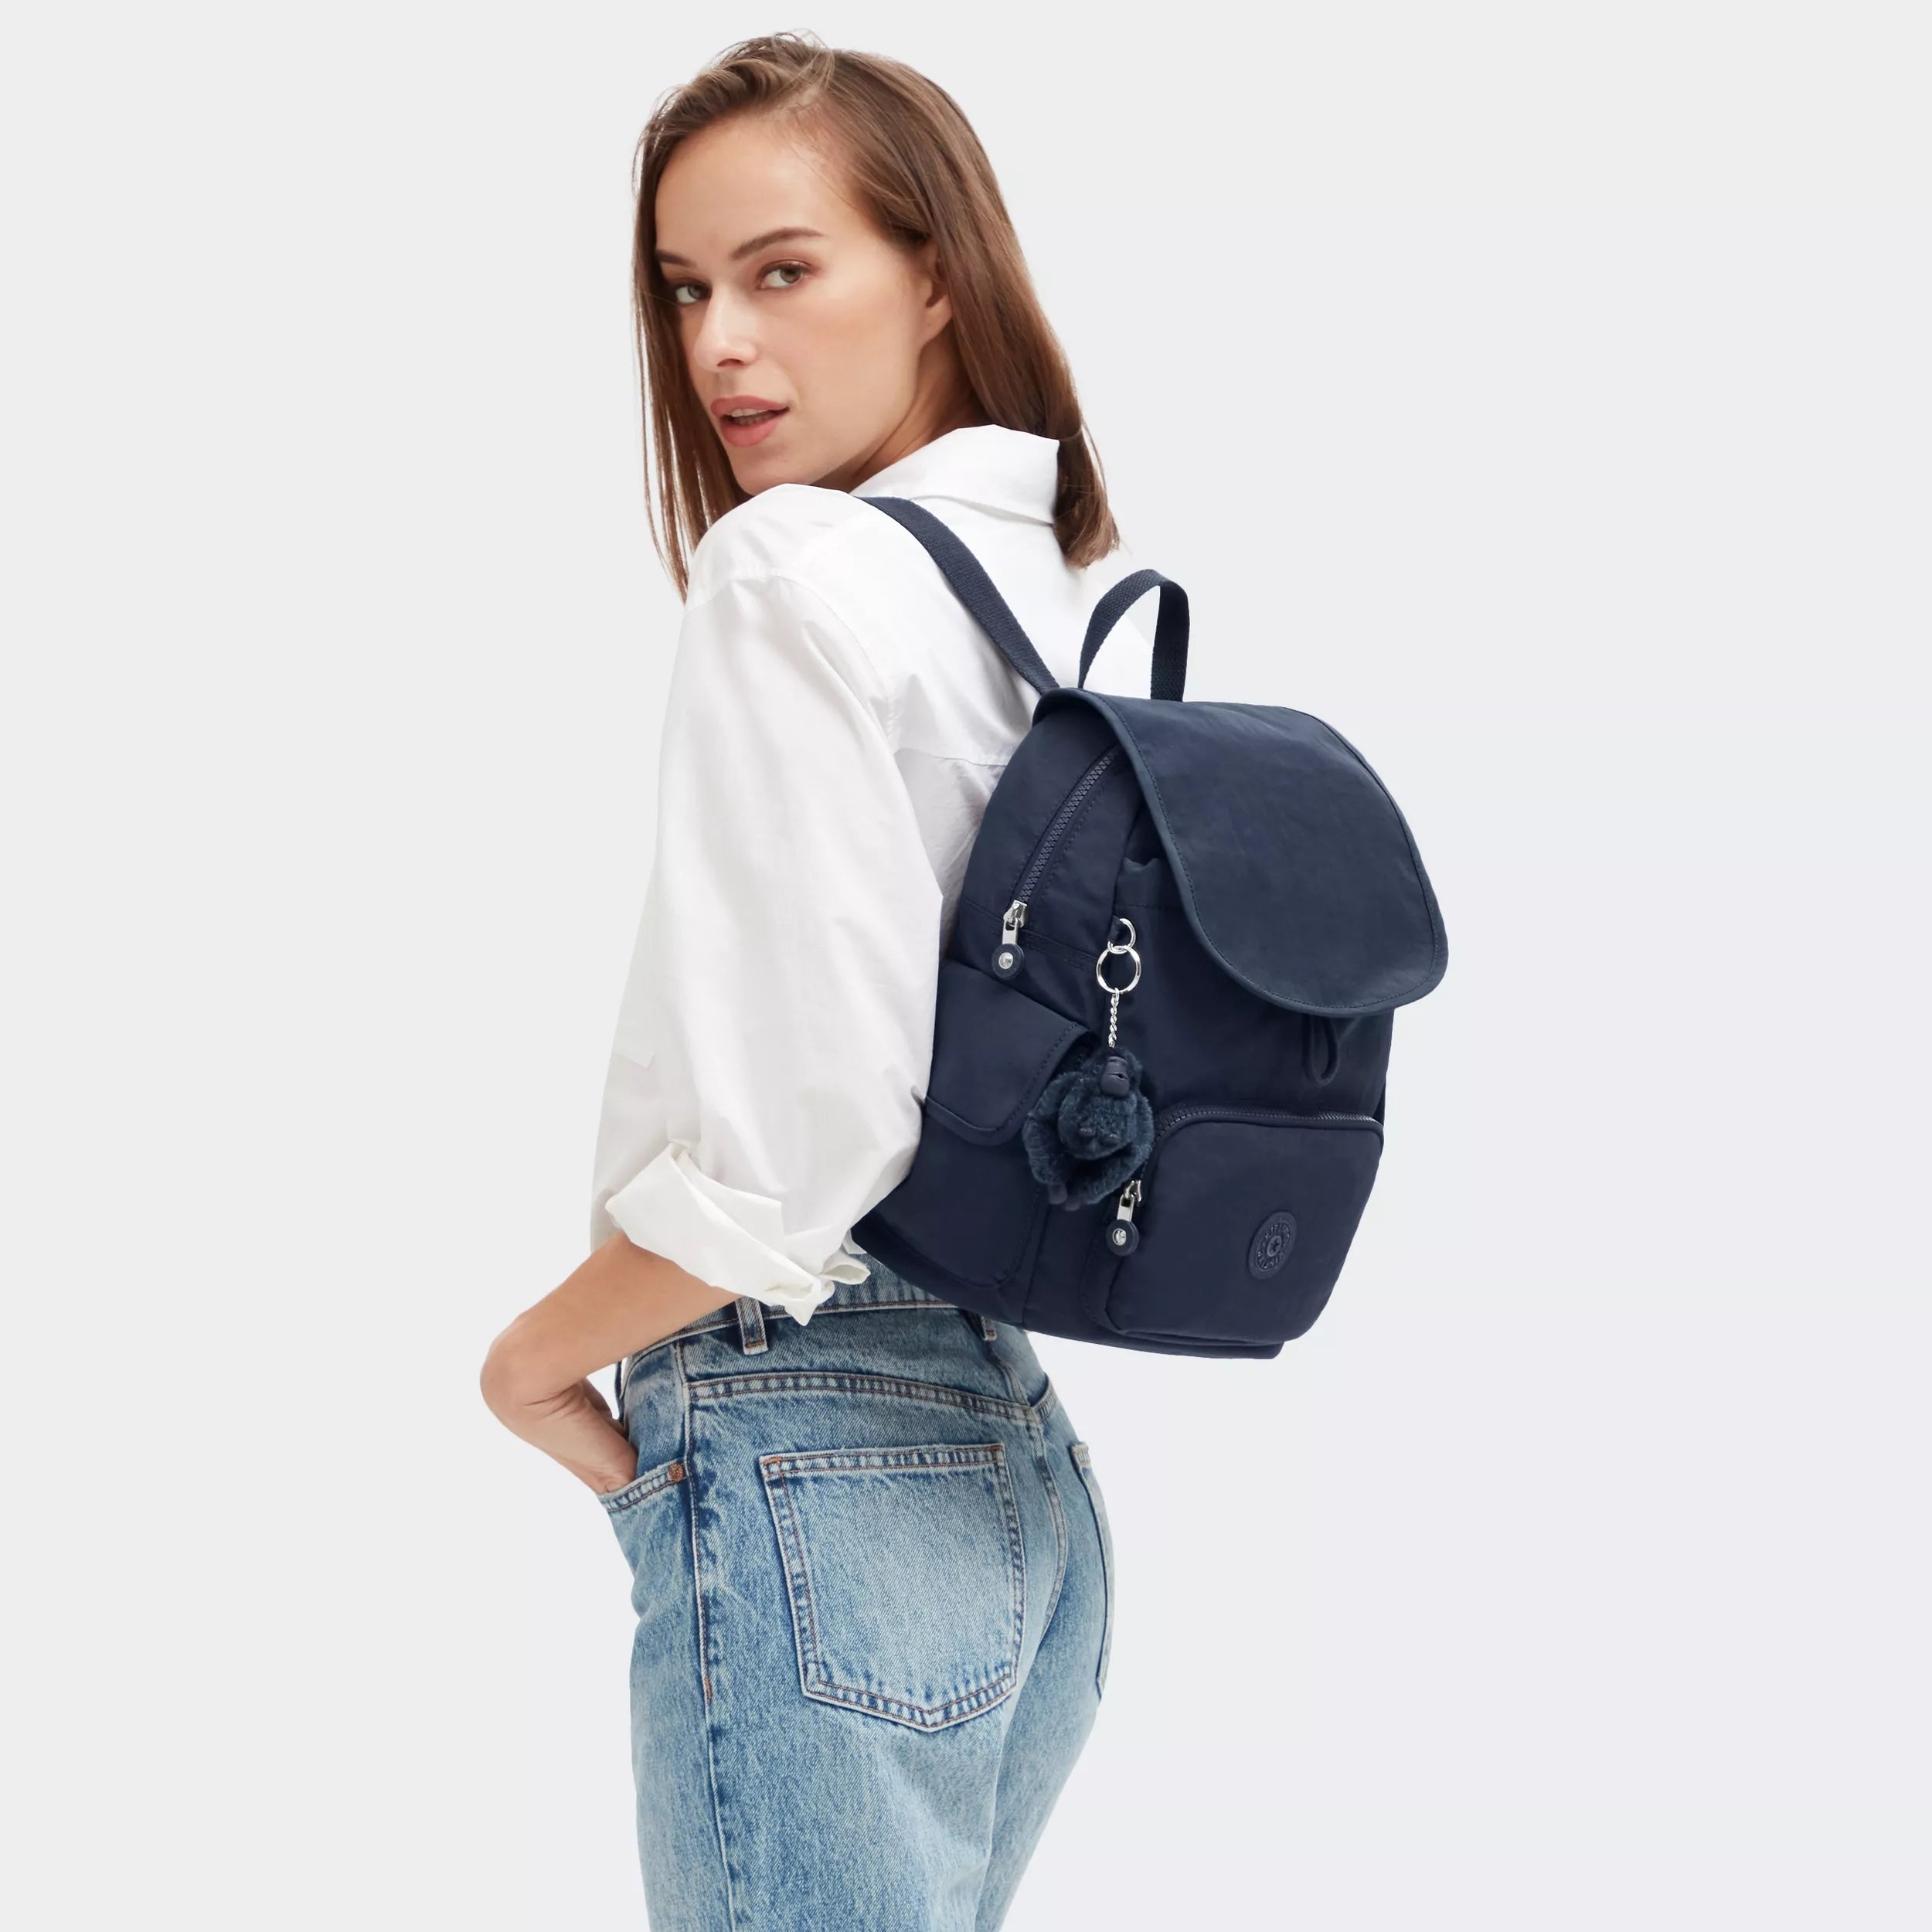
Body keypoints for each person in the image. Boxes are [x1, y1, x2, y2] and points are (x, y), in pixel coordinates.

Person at [481, 32, 1131, 1930]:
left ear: (936, 273)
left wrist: (534, 1356)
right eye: (685, 289)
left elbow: (810, 1141)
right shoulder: (1053, 585)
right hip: (1014, 1467)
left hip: (808, 1438)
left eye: (781, 270)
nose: (719, 345)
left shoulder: (789, 569)